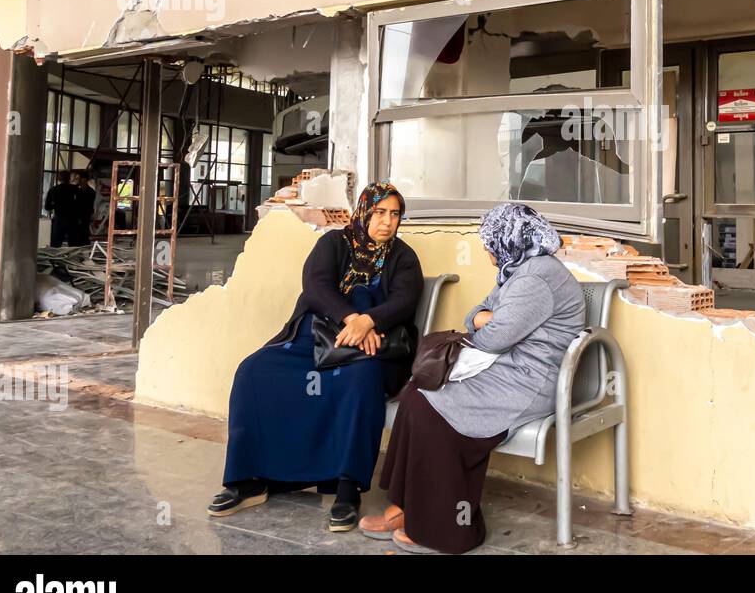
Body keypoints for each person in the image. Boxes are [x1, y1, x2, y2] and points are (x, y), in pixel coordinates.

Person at [361, 202, 585, 554]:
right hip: (505, 369)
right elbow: (475, 315)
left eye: (488, 243)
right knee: (418, 389)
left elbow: (493, 336)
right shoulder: (519, 268)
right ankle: (406, 508)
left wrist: (486, 321)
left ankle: (444, 529)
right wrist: (486, 318)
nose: (486, 251)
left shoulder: (536, 278)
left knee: (432, 407)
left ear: (507, 239)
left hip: (528, 382)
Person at [207, 182, 423, 531]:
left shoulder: (403, 257)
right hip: (317, 336)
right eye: (380, 212)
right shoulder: (333, 243)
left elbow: (405, 299)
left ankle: (346, 487)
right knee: (254, 372)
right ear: (365, 211)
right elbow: (316, 286)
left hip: (371, 348)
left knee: (360, 382)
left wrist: (368, 321)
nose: (387, 222)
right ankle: (249, 480)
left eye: (395, 214)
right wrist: (350, 318)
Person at [69, 171, 96, 247]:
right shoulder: (74, 190)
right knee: (76, 234)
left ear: (84, 180)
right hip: (75, 216)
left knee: (83, 232)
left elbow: (89, 205)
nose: (77, 181)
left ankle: (83, 246)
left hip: (84, 215)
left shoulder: (91, 192)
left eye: (78, 179)